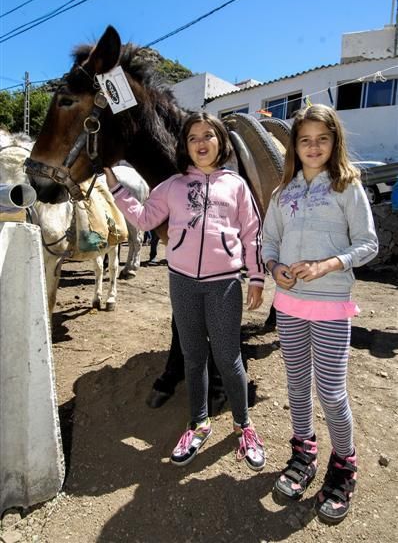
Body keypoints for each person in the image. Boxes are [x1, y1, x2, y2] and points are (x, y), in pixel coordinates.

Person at [104, 112, 266, 471]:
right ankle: (198, 423)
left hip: (224, 284)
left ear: (220, 142)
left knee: (228, 358)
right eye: (193, 137)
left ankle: (243, 424)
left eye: (208, 135)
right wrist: (115, 185)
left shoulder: (235, 185)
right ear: (185, 146)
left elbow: (253, 233)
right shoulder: (173, 186)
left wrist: (256, 277)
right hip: (182, 283)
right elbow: (145, 219)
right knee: (193, 358)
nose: (201, 142)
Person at [262, 104, 378, 524]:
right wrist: (275, 268)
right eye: (305, 139)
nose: (313, 147)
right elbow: (267, 243)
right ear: (295, 144)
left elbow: (367, 244)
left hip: (330, 306)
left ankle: (344, 463)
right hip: (290, 306)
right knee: (296, 385)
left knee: (330, 391)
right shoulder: (281, 192)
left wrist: (330, 264)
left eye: (322, 139)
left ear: (334, 142)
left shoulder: (348, 185)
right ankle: (304, 451)